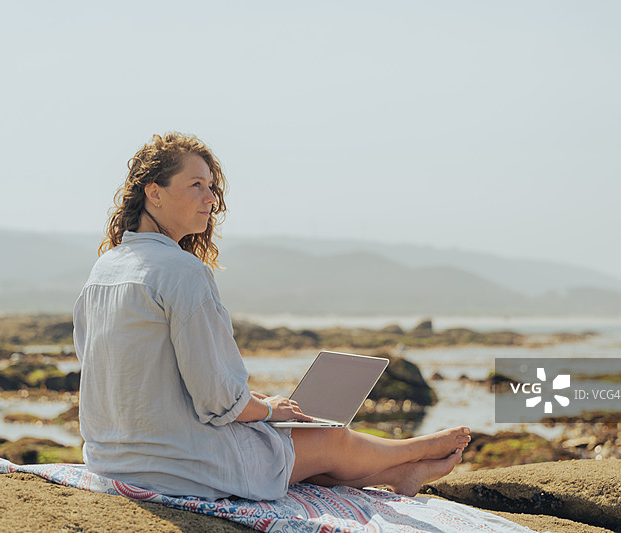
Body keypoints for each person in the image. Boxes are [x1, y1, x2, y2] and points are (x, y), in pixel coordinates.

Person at [73, 132, 471, 501]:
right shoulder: (183, 272)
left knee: (291, 446)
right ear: (154, 192)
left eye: (211, 187)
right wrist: (266, 410)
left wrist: (255, 402)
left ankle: (400, 474)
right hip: (175, 466)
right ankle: (415, 450)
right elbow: (216, 399)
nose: (210, 199)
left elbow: (132, 374)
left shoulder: (104, 268)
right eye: (196, 185)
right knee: (329, 439)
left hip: (111, 458)